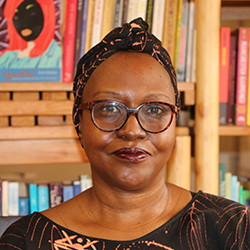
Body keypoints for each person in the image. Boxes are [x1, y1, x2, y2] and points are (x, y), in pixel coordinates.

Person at [0, 18, 249, 249]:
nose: (132, 131)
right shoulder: (27, 240)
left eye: (154, 109)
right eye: (109, 108)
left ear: (174, 120)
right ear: (79, 123)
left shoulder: (233, 230)